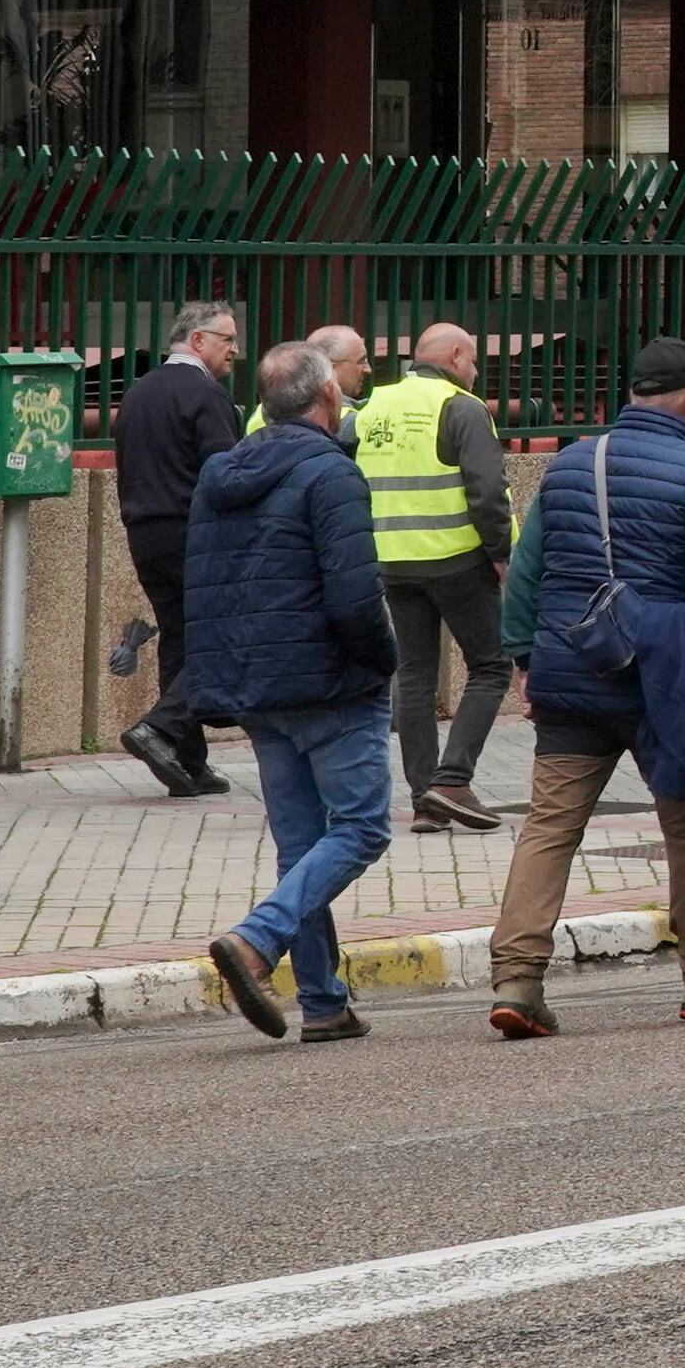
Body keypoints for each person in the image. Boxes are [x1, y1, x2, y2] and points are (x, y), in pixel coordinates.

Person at [487, 337, 685, 1036]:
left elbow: (527, 574)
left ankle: (518, 979)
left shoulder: (567, 463)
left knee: (550, 825)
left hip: (571, 663)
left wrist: (528, 661)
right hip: (666, 679)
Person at [185, 342, 394, 1042]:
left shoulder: (221, 473)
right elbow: (356, 595)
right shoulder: (331, 472)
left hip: (259, 684)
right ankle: (255, 938)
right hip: (331, 682)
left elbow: (212, 587)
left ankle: (324, 999)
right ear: (327, 397)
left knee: (301, 841)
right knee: (362, 826)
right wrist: (383, 662)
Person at [353, 322, 512, 832]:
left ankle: (425, 799)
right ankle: (453, 780)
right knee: (492, 665)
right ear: (457, 355)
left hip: (392, 561)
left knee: (416, 674)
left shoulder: (372, 407)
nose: (476, 371)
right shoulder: (461, 408)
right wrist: (502, 553)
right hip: (456, 557)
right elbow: (487, 491)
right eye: (473, 361)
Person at [109, 303, 245, 799]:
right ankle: (160, 729)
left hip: (143, 532)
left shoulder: (139, 392)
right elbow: (224, 473)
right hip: (194, 531)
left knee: (180, 639)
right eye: (227, 339)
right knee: (224, 636)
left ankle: (187, 763)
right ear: (197, 340)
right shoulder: (207, 394)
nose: (236, 350)